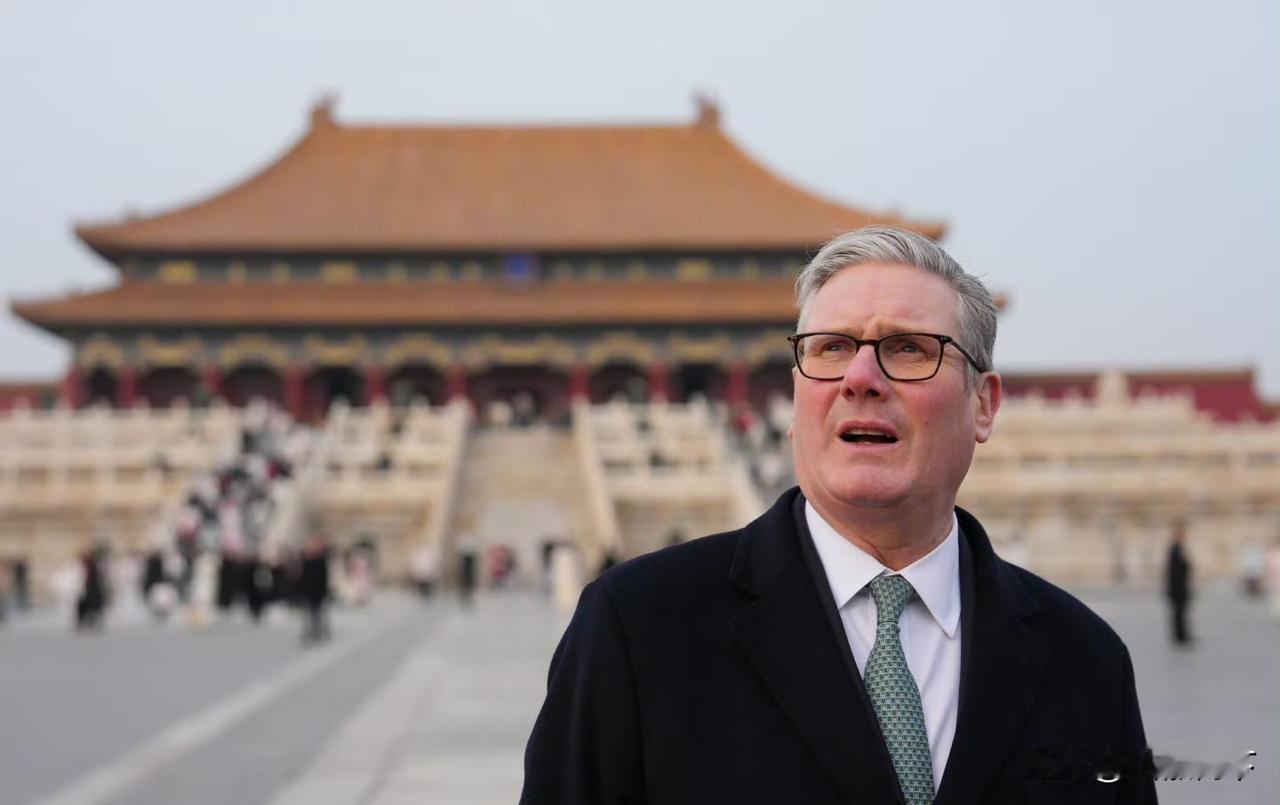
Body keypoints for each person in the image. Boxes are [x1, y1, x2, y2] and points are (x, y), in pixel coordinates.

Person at [522, 227, 1156, 803]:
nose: (860, 377)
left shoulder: (1085, 660)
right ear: (796, 395)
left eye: (909, 349)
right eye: (830, 347)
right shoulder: (639, 630)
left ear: (983, 405)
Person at [1164, 520, 1194, 646]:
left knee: (1181, 613)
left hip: (1179, 589)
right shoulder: (1175, 550)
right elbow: (1177, 570)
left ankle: (1182, 634)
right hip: (1178, 589)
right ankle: (1179, 636)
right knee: (1178, 614)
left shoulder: (1177, 550)